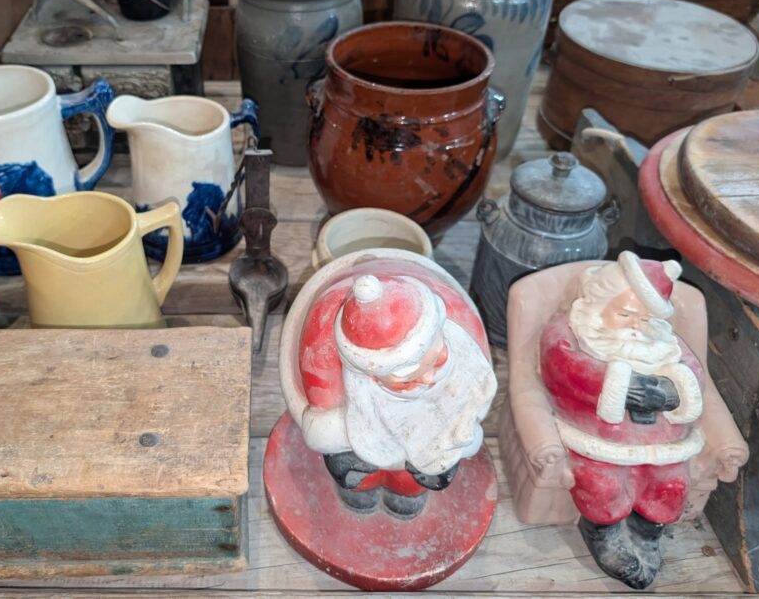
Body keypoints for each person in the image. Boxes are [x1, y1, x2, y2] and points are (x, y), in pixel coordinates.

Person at [540, 252, 704, 589]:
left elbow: (692, 370)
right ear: (600, 303)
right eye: (625, 314)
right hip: (600, 438)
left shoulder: (663, 340)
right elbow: (561, 365)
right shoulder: (573, 328)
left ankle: (648, 530)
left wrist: (670, 391)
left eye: (645, 318)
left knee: (672, 484)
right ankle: (604, 532)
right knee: (603, 485)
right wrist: (618, 386)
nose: (635, 326)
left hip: (663, 440)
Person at [297, 270, 496, 518]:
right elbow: (322, 406)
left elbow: (474, 385)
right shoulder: (357, 384)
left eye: (437, 359)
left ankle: (408, 489)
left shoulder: (458, 345)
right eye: (407, 380)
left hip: (431, 434)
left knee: (413, 478)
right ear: (372, 375)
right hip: (361, 436)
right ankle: (362, 485)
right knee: (357, 466)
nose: (429, 379)